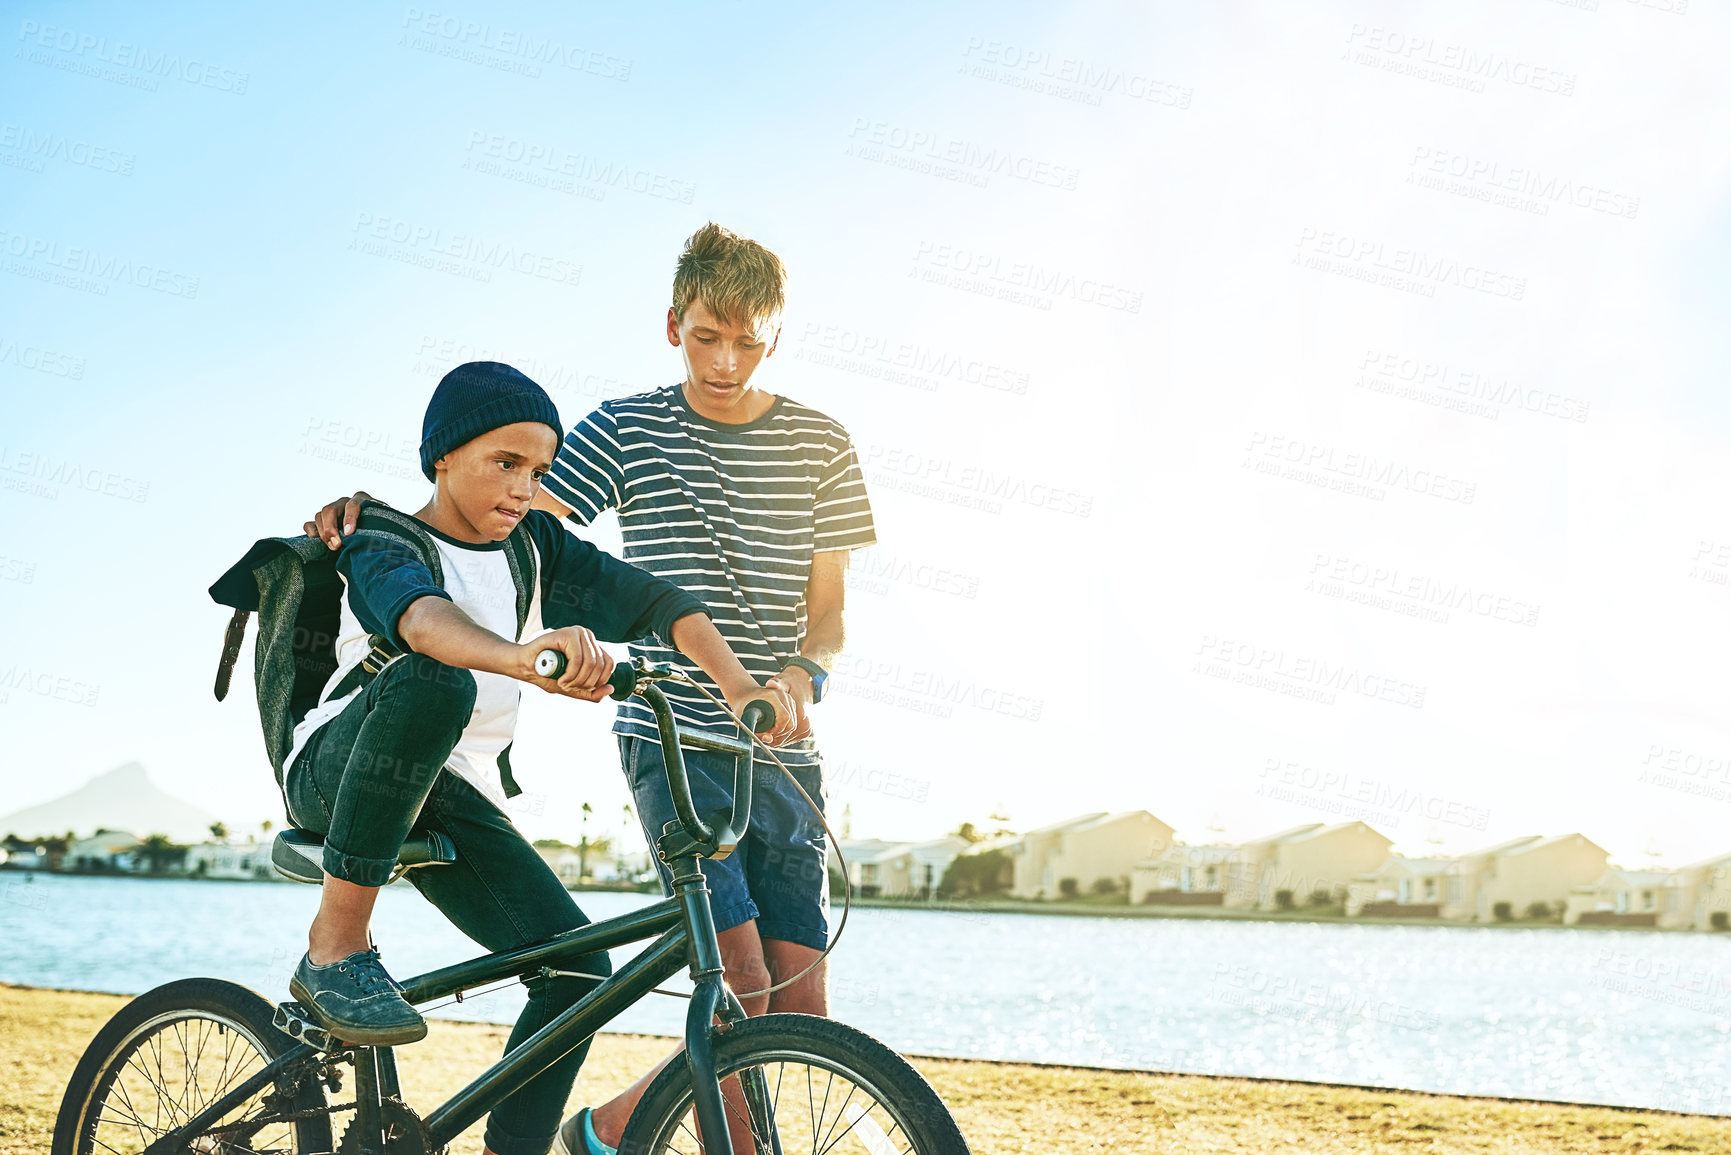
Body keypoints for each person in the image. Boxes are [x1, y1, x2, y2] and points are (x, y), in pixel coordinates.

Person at [310, 223, 876, 1155]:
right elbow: (488, 523)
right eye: (705, 336)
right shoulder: (622, 429)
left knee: (782, 999)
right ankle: (340, 948)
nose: (726, 359)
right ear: (672, 325)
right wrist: (374, 522)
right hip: (662, 737)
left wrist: (780, 678)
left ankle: (582, 1138)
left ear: (777, 334)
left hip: (775, 743)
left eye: (748, 338)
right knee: (730, 981)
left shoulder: (821, 443)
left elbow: (809, 613)